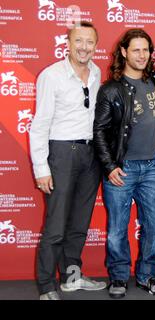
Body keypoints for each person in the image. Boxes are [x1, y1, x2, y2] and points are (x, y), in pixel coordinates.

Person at [29, 21, 106, 300]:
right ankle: (47, 285)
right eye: (79, 41)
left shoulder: (97, 72)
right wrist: (41, 168)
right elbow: (39, 125)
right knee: (56, 224)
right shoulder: (52, 76)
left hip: (91, 155)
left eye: (89, 42)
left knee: (79, 223)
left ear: (96, 46)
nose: (84, 47)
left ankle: (72, 277)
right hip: (61, 153)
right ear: (68, 43)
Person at [94, 29, 155, 298]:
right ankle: (119, 277)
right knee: (116, 229)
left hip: (152, 167)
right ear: (124, 52)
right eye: (136, 49)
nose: (141, 55)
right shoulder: (111, 89)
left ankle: (148, 274)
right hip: (121, 168)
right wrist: (110, 166)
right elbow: (99, 131)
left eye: (146, 50)